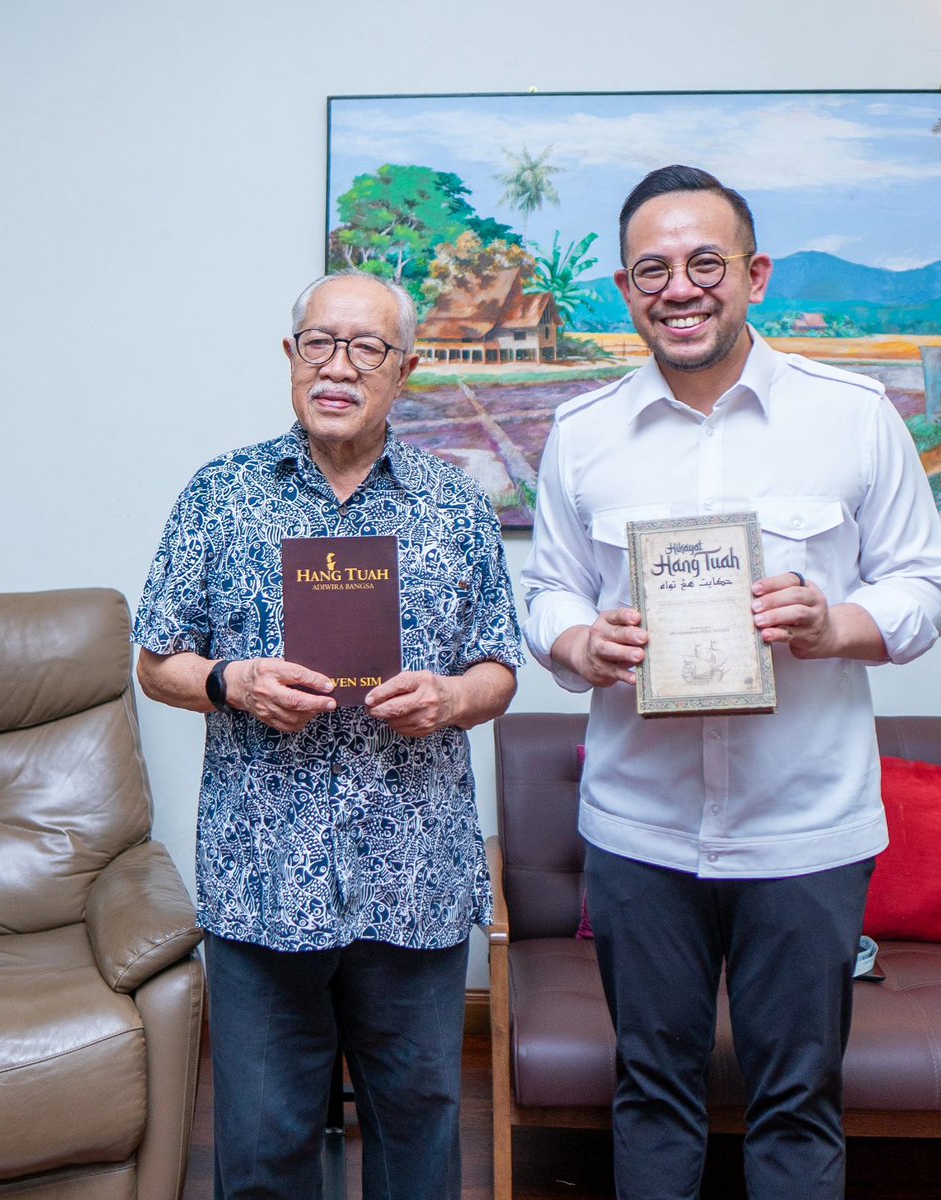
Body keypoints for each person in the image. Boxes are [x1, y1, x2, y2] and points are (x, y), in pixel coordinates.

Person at [522, 164, 941, 1200]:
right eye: (653, 270)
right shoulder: (581, 436)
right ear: (626, 289)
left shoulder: (853, 415)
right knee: (652, 1093)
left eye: (706, 263)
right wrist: (581, 647)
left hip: (807, 827)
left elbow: (923, 586)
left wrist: (834, 622)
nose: (681, 287)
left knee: (798, 1103)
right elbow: (546, 595)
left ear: (752, 275)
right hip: (640, 829)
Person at [132, 269, 523, 1200]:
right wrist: (231, 682)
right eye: (319, 343)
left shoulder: (454, 503)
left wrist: (452, 701)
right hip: (264, 885)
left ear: (407, 370)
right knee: (264, 1151)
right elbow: (155, 661)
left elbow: (500, 667)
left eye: (367, 349)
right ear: (291, 357)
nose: (338, 367)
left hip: (412, 878)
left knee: (418, 1135)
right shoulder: (221, 493)